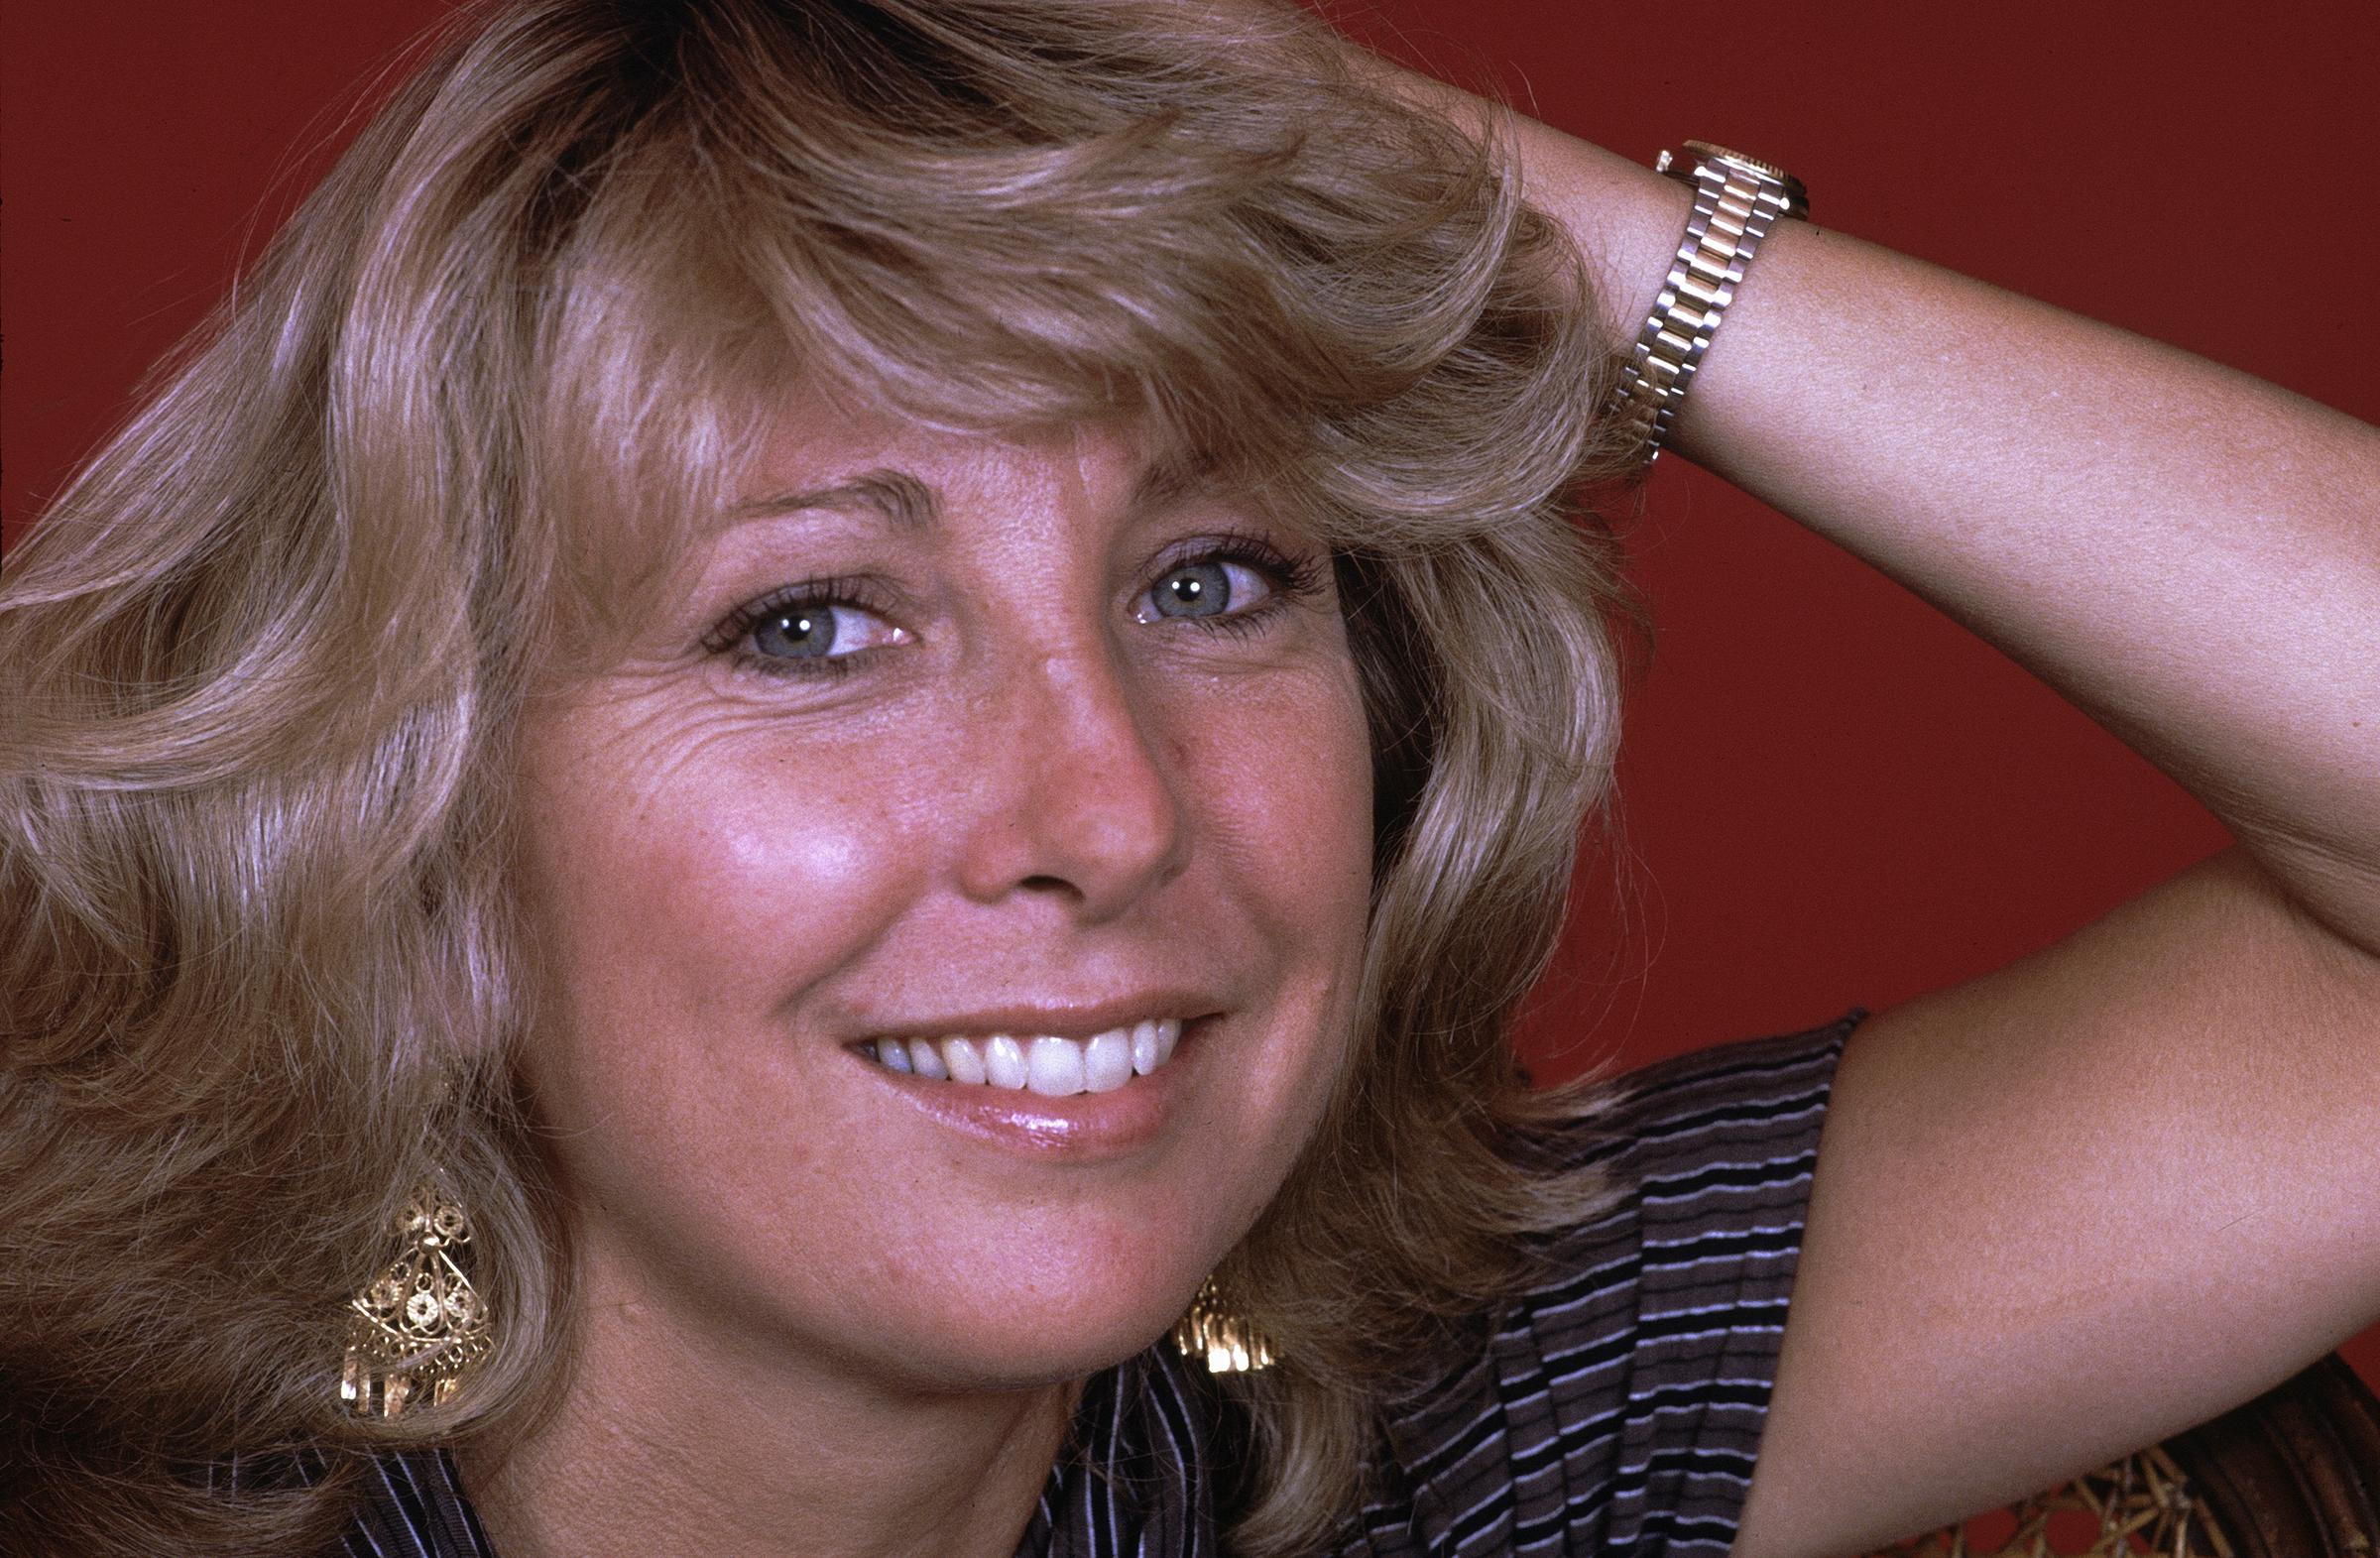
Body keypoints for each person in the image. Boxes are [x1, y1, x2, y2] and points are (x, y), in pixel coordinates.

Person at [2, 4, 2374, 1558]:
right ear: (405, 843)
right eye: (812, 624)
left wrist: (1520, 227)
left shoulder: (1394, 1449)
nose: (1110, 809)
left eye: (1215, 580)